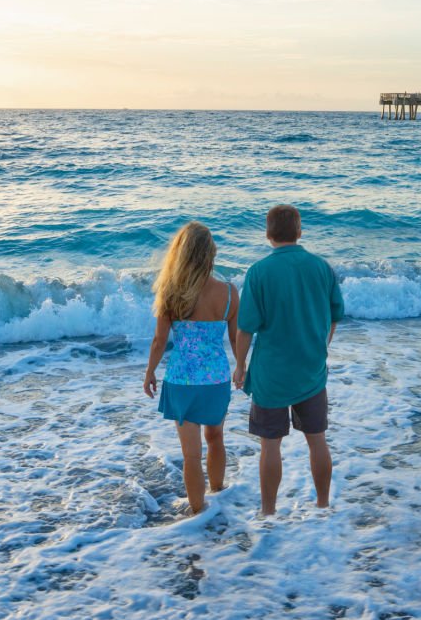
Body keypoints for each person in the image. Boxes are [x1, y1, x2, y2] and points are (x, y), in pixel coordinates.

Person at [233, 204, 344, 516]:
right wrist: (321, 347)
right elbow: (335, 316)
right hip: (311, 369)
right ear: (299, 232)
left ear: (268, 235)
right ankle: (323, 505)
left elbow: (246, 329)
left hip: (271, 374)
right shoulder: (321, 267)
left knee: (270, 446)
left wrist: (240, 365)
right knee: (317, 440)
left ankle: (268, 512)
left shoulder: (258, 273)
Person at [144, 222, 238, 514]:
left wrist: (149, 372)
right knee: (216, 438)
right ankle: (218, 491)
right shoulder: (229, 293)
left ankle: (199, 512)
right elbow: (237, 339)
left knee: (191, 455)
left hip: (182, 381)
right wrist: (243, 368)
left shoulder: (171, 293)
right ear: (211, 253)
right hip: (216, 379)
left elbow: (160, 341)